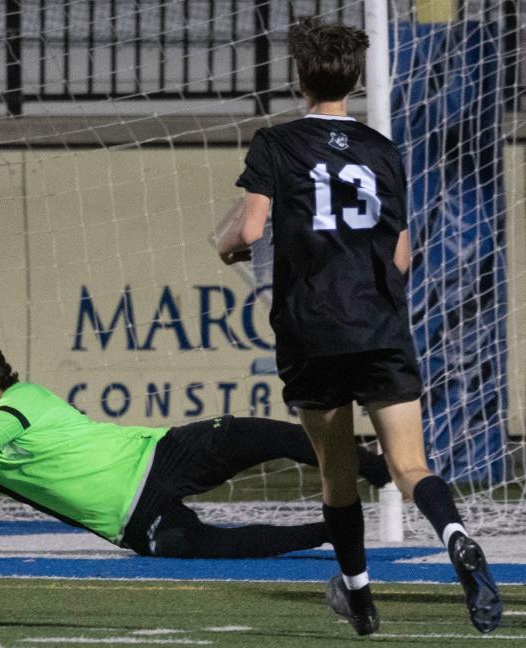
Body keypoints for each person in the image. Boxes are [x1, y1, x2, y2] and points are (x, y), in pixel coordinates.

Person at [216, 17, 501, 635]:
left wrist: (224, 244)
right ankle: (456, 537)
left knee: (337, 472)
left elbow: (248, 232)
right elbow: (399, 255)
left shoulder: (277, 143)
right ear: (353, 79)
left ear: (300, 77)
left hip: (311, 329)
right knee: (410, 466)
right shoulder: (382, 149)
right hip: (379, 325)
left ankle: (362, 598)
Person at [0, 332, 392, 561]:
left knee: (261, 433)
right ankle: (335, 531)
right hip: (133, 522)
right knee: (230, 546)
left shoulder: (22, 402)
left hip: (158, 454)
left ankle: (373, 467)